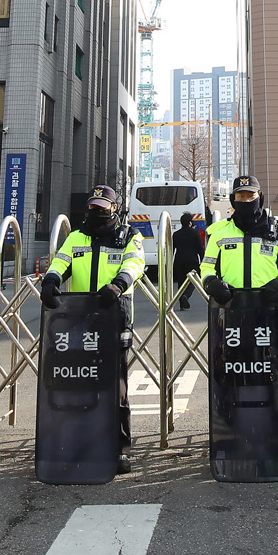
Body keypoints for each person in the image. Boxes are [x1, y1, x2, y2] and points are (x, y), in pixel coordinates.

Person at [39, 185, 146, 474]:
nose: (97, 211)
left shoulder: (128, 236)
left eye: (103, 206)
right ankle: (74, 440)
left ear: (115, 208)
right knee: (76, 381)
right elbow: (62, 261)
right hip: (79, 320)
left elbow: (135, 263)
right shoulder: (76, 237)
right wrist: (51, 279)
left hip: (114, 316)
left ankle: (119, 448)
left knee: (116, 385)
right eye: (93, 206)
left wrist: (119, 284)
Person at [199, 175, 278, 305]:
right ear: (233, 200)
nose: (246, 201)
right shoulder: (219, 232)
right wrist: (211, 282)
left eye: (251, 196)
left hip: (270, 306)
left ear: (260, 198)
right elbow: (207, 266)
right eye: (241, 196)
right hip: (230, 305)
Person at [170, 213, 205, 311]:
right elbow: (200, 249)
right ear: (190, 223)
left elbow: (172, 249)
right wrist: (203, 261)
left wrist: (169, 263)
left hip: (179, 260)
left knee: (181, 281)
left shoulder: (176, 234)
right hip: (192, 260)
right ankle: (186, 295)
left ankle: (182, 302)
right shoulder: (195, 233)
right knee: (193, 280)